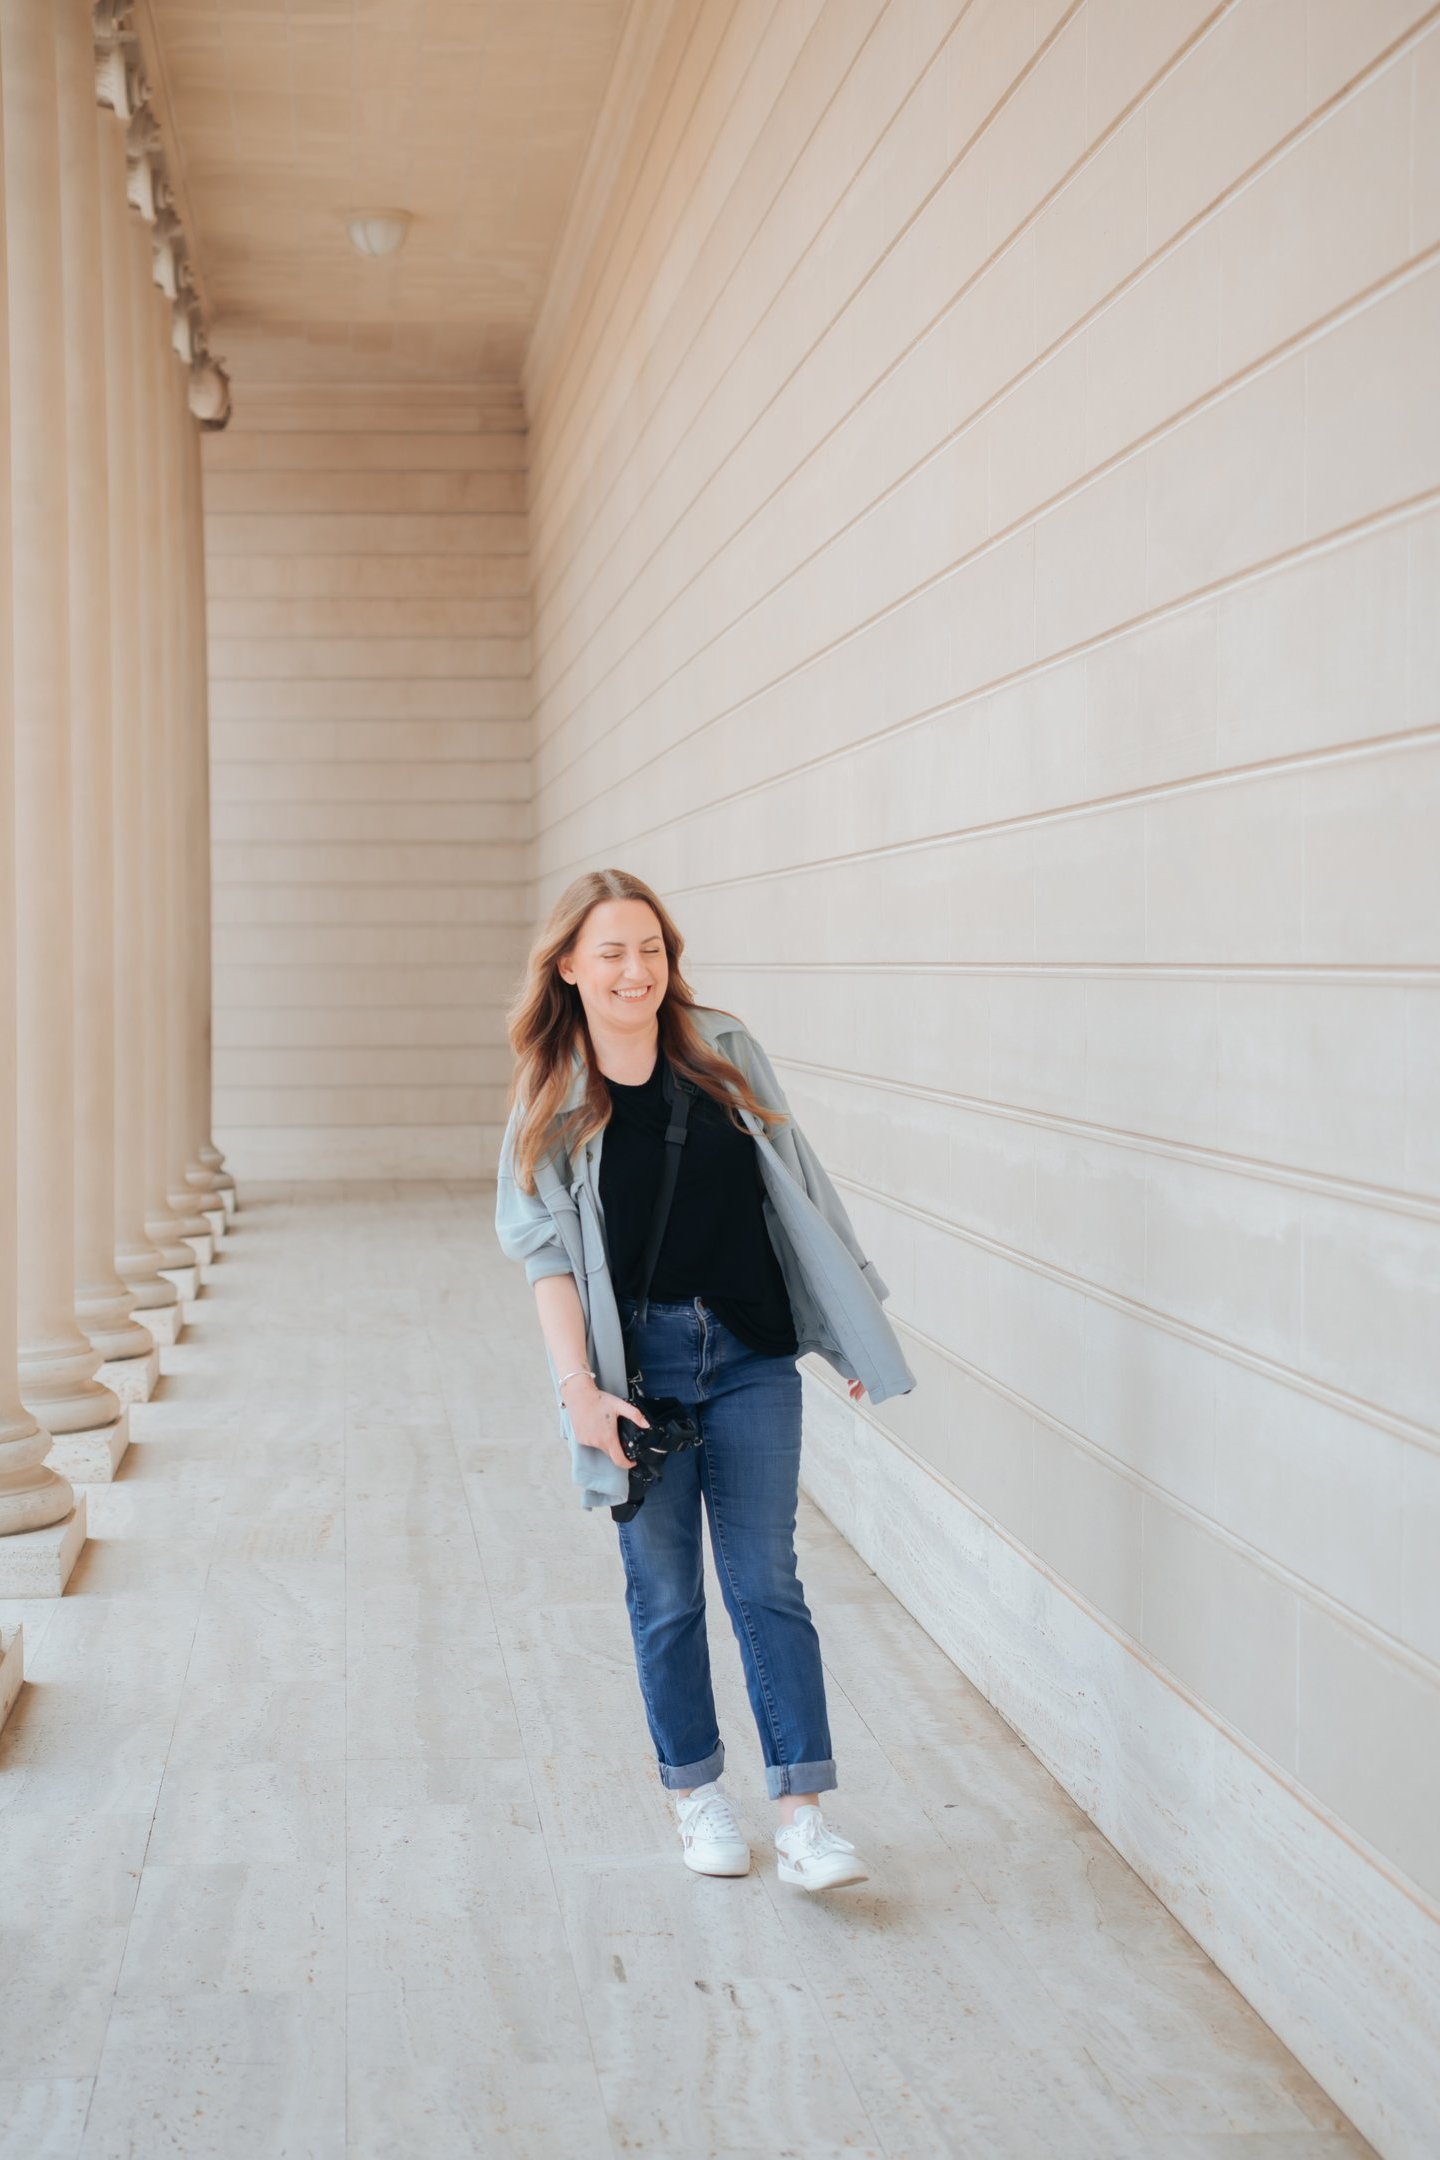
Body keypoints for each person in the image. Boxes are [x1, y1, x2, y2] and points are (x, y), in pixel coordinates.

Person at [495, 868, 917, 1890]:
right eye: (612, 951)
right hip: (635, 1369)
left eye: (652, 948)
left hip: (749, 1352)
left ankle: (805, 1817)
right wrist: (578, 1394)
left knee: (766, 1579)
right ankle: (697, 1798)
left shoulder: (723, 1049)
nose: (637, 969)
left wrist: (847, 1327)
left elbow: (799, 1191)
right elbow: (543, 1254)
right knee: (667, 1592)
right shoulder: (551, 1094)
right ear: (568, 966)